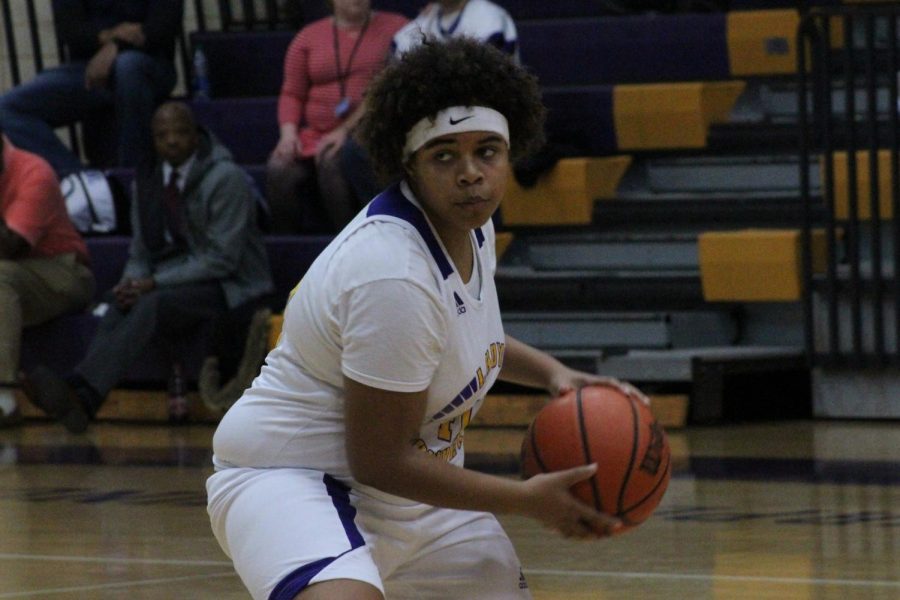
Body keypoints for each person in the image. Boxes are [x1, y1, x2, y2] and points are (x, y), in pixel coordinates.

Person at [206, 38, 648, 600]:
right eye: (445, 156)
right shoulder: (392, 274)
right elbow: (380, 459)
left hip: (411, 493)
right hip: (292, 478)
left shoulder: (469, 227)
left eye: (487, 151)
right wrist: (526, 499)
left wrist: (556, 375)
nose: (470, 174)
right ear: (408, 165)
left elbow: (462, 334)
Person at [23, 101, 274, 432]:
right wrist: (131, 282)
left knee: (152, 303)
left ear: (196, 136)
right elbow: (141, 249)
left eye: (181, 132)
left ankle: (83, 392)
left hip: (232, 283)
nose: (172, 141)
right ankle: (84, 395)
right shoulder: (148, 178)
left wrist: (153, 283)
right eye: (162, 135)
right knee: (120, 302)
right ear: (152, 140)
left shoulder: (225, 178)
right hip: (176, 275)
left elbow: (222, 258)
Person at [340, 0, 518, 208]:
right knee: (356, 150)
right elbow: (396, 83)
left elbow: (488, 85)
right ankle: (394, 216)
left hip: (480, 116)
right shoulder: (419, 25)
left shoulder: (491, 19)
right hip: (428, 123)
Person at [266, 0, 407, 234]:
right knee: (278, 166)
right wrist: (288, 134)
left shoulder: (396, 27)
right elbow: (292, 93)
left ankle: (347, 237)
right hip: (316, 133)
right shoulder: (307, 37)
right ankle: (286, 244)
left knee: (331, 159)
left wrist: (345, 130)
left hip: (369, 130)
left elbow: (387, 86)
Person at [0, 0, 183, 175]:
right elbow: (71, 31)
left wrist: (116, 45)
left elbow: (164, 25)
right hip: (89, 69)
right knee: (5, 109)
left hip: (149, 62)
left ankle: (133, 178)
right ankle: (86, 182)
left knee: (127, 66)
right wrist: (116, 37)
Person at [0, 131, 95, 427]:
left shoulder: (33, 172)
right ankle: (26, 376)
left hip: (63, 271)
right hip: (17, 276)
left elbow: (10, 247)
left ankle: (3, 399)